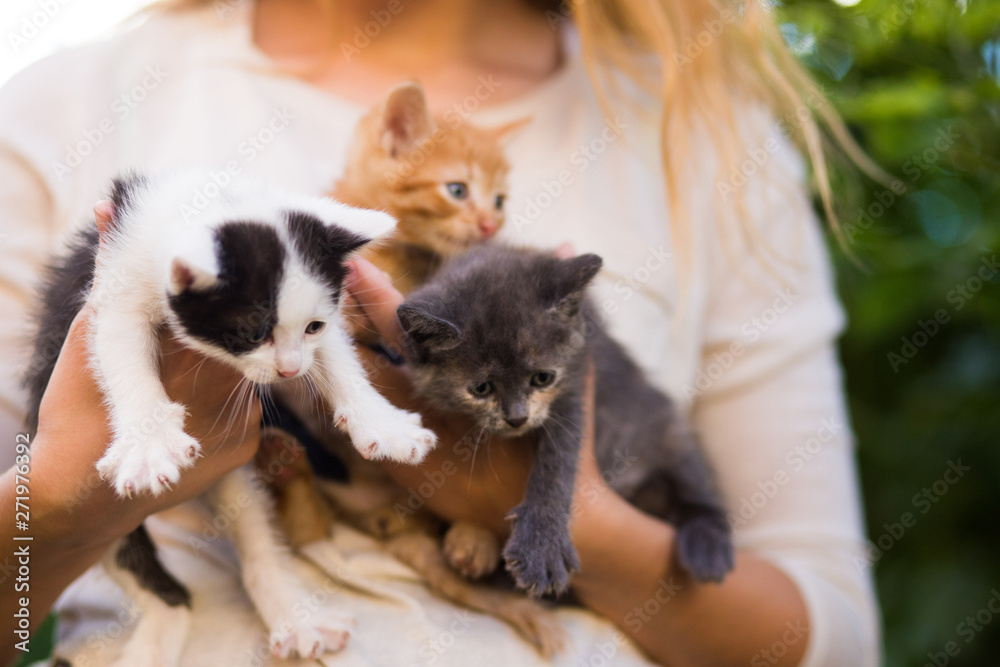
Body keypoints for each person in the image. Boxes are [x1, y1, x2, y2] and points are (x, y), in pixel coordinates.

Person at [0, 0, 881, 665]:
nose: (486, 218)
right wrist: (69, 508)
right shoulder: (70, 106)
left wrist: (566, 519)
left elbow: (834, 634)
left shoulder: (708, 133)